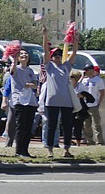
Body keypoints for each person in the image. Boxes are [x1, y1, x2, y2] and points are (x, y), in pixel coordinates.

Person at [41, 25, 77, 158]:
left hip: (66, 101)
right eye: (55, 54)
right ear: (51, 57)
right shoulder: (49, 67)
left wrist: (75, 41)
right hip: (52, 101)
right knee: (51, 126)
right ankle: (49, 149)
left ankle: (66, 149)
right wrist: (45, 35)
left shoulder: (66, 66)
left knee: (67, 126)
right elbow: (45, 51)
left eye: (59, 54)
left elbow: (74, 54)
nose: (57, 56)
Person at [9, 48, 38, 158]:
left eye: (26, 54)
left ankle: (25, 150)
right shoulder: (16, 68)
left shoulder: (30, 71)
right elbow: (12, 71)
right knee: (21, 126)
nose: (24, 55)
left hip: (30, 100)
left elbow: (35, 84)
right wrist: (14, 59)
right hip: (19, 100)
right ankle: (19, 151)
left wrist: (30, 85)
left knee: (28, 126)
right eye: (21, 54)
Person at [79, 63, 105, 145]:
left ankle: (99, 141)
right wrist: (82, 77)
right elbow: (77, 86)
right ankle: (90, 141)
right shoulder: (84, 80)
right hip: (85, 105)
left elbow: (102, 92)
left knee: (96, 124)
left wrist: (98, 102)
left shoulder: (98, 80)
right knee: (86, 124)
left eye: (87, 70)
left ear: (92, 70)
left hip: (94, 104)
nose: (86, 72)